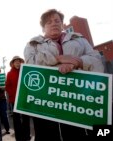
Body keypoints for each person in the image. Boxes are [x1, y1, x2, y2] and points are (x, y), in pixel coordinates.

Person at [24, 9, 104, 141]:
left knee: (78, 133)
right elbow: (30, 64)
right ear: (43, 27)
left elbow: (96, 59)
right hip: (46, 99)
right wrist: (58, 59)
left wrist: (77, 62)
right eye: (49, 22)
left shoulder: (79, 39)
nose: (54, 24)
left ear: (62, 24)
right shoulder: (33, 44)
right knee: (47, 134)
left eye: (57, 21)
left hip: (77, 98)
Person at [5, 56, 31, 141]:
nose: (17, 63)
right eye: (15, 61)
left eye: (19, 61)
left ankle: (27, 136)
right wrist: (14, 96)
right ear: (12, 63)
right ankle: (19, 137)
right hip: (15, 100)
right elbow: (7, 86)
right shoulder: (9, 73)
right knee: (16, 119)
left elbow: (28, 84)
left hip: (24, 99)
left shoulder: (25, 71)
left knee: (26, 118)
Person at [0, 66, 10, 134]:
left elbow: (6, 87)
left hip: (3, 99)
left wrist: (0, 88)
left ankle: (7, 129)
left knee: (4, 114)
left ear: (0, 71)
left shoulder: (3, 77)